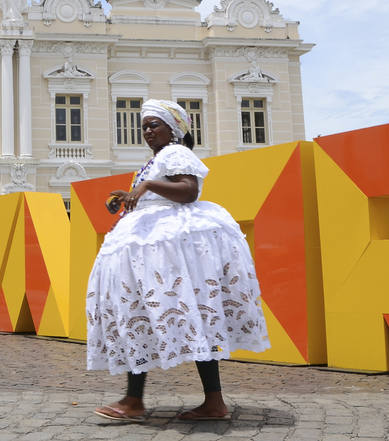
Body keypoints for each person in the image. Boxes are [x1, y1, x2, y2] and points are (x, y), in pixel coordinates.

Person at [89, 99, 269, 423]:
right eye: (144, 125)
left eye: (154, 124)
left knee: (166, 312)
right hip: (152, 245)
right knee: (149, 314)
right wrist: (131, 194)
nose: (147, 131)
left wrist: (144, 187)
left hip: (170, 247)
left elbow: (188, 191)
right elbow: (159, 193)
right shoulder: (154, 161)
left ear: (174, 129)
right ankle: (184, 401)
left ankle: (136, 401)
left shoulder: (176, 152)